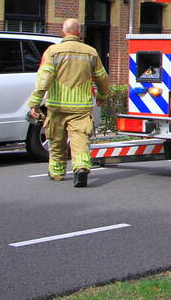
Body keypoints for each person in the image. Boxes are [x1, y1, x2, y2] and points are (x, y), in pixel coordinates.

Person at [27, 18, 110, 187]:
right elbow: (102, 77)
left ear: (63, 32)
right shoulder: (91, 52)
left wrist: (34, 103)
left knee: (56, 141)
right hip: (81, 108)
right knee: (80, 141)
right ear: (79, 32)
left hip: (57, 107)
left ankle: (57, 173)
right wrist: (102, 95)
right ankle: (80, 168)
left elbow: (44, 79)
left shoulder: (52, 52)